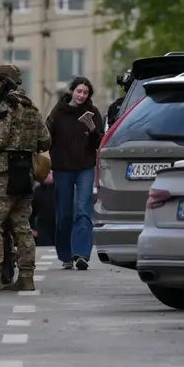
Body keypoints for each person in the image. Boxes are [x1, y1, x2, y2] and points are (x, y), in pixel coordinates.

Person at [0, 65, 51, 292]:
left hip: (4, 176)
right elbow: (46, 141)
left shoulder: (6, 108)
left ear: (2, 83)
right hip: (25, 176)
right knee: (22, 226)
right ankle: (26, 276)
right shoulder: (31, 108)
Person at [46, 76, 104, 271]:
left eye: (85, 93)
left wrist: (93, 129)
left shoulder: (93, 113)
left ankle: (81, 254)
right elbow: (46, 136)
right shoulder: (58, 112)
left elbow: (99, 143)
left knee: (83, 208)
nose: (81, 95)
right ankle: (66, 255)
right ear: (72, 91)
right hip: (62, 167)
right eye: (79, 91)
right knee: (64, 212)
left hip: (85, 167)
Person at [30, 172, 56, 246]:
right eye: (45, 174)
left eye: (49, 174)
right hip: (43, 225)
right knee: (44, 247)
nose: (47, 176)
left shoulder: (60, 190)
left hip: (58, 224)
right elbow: (32, 211)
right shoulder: (37, 191)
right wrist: (32, 228)